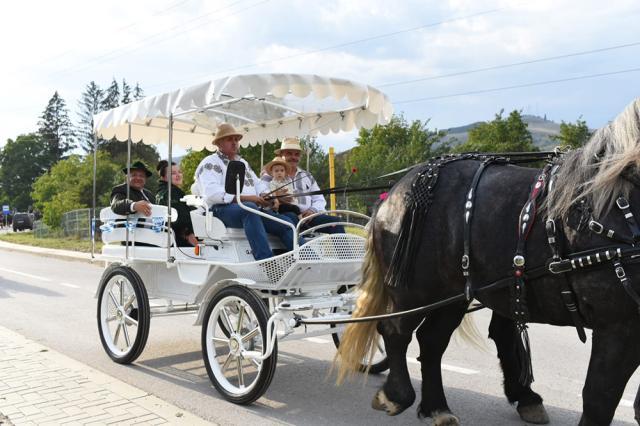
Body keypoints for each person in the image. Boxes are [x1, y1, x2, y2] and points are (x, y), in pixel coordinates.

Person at [194, 123, 296, 261]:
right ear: (219, 143)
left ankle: (307, 259)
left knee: (286, 222)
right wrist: (249, 198)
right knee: (250, 208)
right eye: (230, 139)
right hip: (220, 210)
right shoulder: (210, 162)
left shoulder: (243, 162)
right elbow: (212, 193)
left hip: (249, 209)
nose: (235, 143)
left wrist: (268, 196)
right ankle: (266, 261)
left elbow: (258, 183)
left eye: (236, 139)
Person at [270, 137, 345, 234]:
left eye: (297, 154)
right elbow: (262, 195)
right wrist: (276, 195)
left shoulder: (307, 176)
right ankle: (306, 248)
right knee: (292, 219)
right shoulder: (270, 174)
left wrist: (312, 211)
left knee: (336, 222)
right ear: (281, 155)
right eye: (289, 153)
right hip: (286, 216)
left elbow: (319, 199)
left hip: (309, 218)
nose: (293, 157)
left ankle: (344, 250)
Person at [156, 160, 197, 247]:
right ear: (163, 177)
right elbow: (180, 218)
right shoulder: (170, 193)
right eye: (173, 173)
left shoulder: (167, 192)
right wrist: (188, 233)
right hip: (178, 241)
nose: (178, 175)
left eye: (179, 172)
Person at [264, 156, 301, 221]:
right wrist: (276, 202)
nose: (279, 173)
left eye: (282, 170)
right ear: (272, 173)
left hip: (290, 203)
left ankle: (301, 220)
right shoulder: (272, 183)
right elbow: (273, 193)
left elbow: (291, 192)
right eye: (276, 171)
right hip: (280, 205)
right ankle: (302, 221)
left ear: (285, 173)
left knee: (296, 208)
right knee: (295, 209)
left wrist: (293, 199)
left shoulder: (287, 182)